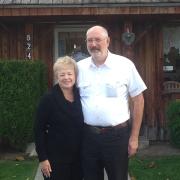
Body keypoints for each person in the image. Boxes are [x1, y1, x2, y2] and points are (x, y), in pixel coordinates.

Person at [77, 25, 147, 180]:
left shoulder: (125, 65)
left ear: (107, 41)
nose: (93, 44)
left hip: (117, 138)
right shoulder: (79, 68)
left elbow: (138, 100)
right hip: (88, 137)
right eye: (90, 40)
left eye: (98, 40)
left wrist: (134, 137)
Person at [34, 56, 84, 180]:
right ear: (57, 76)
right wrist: (43, 158)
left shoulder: (81, 95)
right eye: (62, 74)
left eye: (69, 74)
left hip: (78, 159)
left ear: (75, 75)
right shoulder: (48, 99)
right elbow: (38, 130)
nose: (66, 77)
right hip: (55, 160)